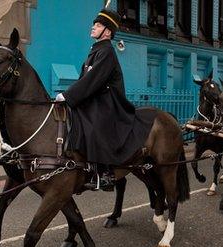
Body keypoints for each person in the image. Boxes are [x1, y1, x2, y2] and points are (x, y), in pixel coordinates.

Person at [56, 9, 156, 191]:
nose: (93, 27)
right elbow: (83, 80)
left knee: (94, 125)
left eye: (98, 25)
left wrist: (68, 95)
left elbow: (92, 80)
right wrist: (69, 95)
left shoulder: (107, 52)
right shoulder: (95, 52)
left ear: (108, 32)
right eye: (94, 24)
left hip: (109, 102)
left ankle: (105, 172)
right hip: (95, 99)